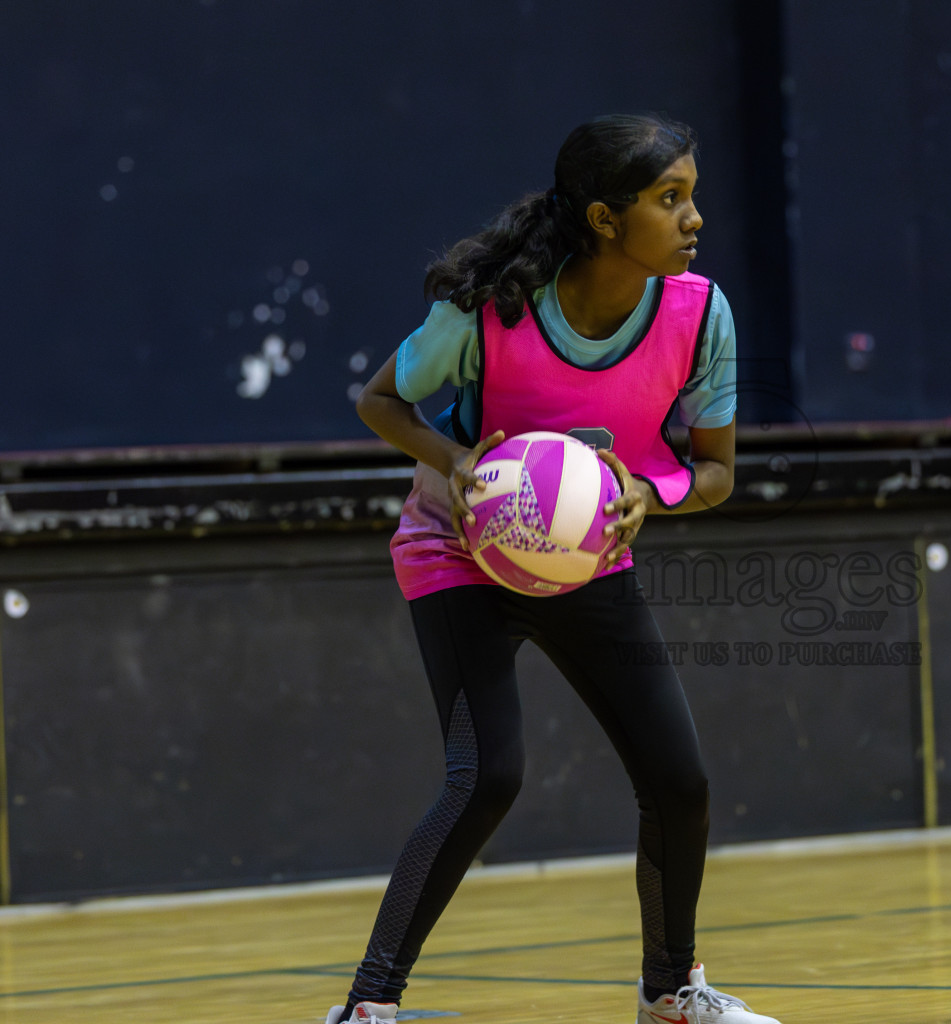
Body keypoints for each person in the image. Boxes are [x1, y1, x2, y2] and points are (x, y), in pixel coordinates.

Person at [331, 114, 780, 1024]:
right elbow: (380, 401)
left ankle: (671, 990)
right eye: (670, 198)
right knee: (486, 776)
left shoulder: (701, 313)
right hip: (458, 554)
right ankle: (368, 1008)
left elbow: (716, 472)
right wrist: (458, 463)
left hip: (589, 561)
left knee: (679, 781)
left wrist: (651, 491)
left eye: (692, 196)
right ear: (606, 218)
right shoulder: (493, 305)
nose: (695, 217)